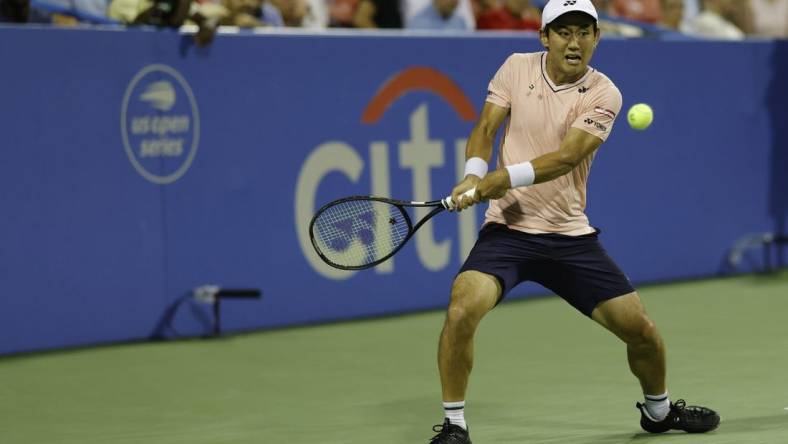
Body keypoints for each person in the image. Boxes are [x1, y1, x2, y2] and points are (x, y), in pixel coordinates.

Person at [428, 0, 721, 442]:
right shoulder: (515, 67)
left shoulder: (605, 92)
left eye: (585, 33)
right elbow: (486, 129)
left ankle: (659, 413)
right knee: (460, 309)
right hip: (508, 231)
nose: (575, 42)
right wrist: (473, 175)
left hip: (568, 238)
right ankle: (454, 426)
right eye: (563, 32)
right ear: (544, 37)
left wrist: (502, 177)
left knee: (642, 333)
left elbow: (567, 157)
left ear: (597, 39)